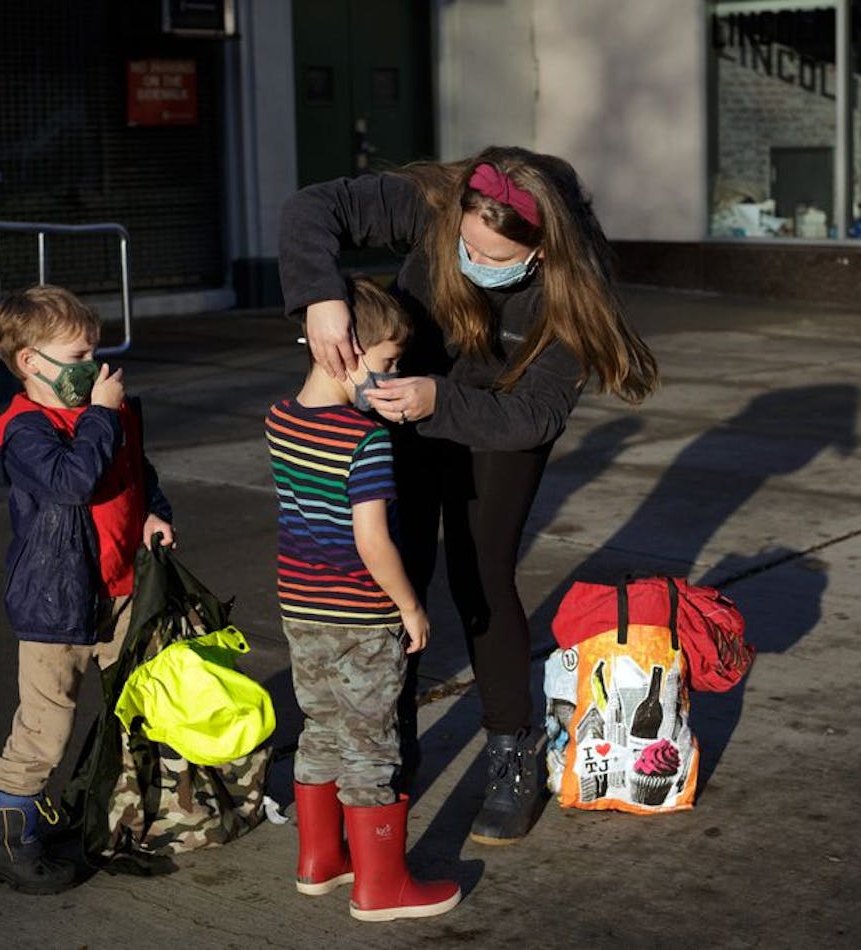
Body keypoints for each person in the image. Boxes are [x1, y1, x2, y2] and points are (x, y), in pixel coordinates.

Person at [277, 146, 659, 845]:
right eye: (466, 245)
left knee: (479, 575)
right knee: (400, 564)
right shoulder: (433, 203)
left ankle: (512, 753)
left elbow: (536, 416)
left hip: (500, 418)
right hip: (407, 396)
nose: (474, 262)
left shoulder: (575, 287)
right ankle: (385, 747)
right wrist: (321, 298)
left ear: (543, 251)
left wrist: (440, 402)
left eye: (495, 256)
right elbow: (311, 207)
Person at [267, 276, 461, 921]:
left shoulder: (281, 419)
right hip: (360, 615)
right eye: (387, 363)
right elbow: (373, 539)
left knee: (320, 728)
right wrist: (409, 604)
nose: (394, 377)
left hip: (301, 609)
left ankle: (320, 861)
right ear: (344, 354)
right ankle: (382, 888)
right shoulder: (365, 440)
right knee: (372, 744)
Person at [0, 284, 175, 893]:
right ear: (31, 362)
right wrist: (103, 415)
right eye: (79, 354)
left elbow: (136, 471)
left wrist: (153, 512)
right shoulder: (24, 428)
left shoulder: (108, 414)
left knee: (137, 706)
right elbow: (71, 482)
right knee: (45, 728)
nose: (93, 364)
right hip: (56, 603)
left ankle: (107, 810)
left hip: (120, 588)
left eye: (96, 350)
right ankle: (0, 836)